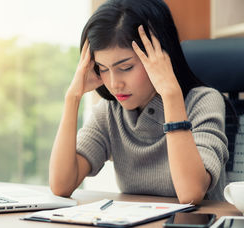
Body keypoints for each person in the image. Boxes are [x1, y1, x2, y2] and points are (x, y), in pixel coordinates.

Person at [49, 0, 228, 204]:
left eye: (125, 67)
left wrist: (170, 94)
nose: (115, 84)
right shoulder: (111, 112)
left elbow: (191, 193)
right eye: (103, 68)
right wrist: (72, 97)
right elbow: (61, 185)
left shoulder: (203, 102)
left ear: (160, 56)